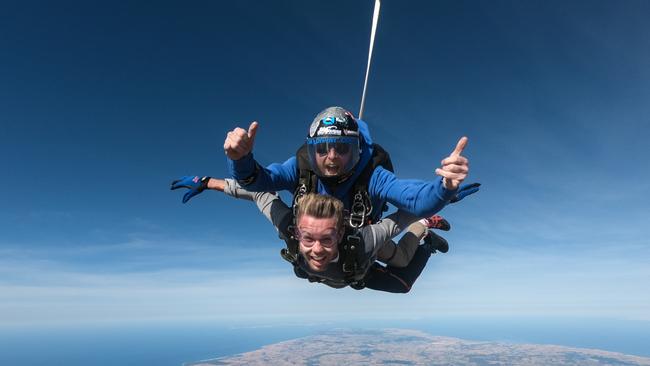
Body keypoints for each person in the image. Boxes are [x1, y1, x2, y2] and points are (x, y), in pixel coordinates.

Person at [171, 177, 452, 293]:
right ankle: (424, 233)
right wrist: (207, 182)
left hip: (359, 260)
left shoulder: (365, 240)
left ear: (341, 233)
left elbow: (401, 217)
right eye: (308, 239)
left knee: (402, 269)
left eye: (327, 239)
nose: (317, 249)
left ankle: (426, 232)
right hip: (350, 269)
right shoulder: (289, 229)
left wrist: (441, 194)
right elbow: (258, 191)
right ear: (297, 232)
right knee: (399, 265)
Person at [222, 106, 476, 226]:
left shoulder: (372, 174)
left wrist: (445, 187)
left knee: (396, 265)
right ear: (312, 150)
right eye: (322, 148)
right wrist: (241, 160)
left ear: (356, 151)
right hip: (323, 241)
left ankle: (425, 229)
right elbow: (260, 181)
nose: (332, 156)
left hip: (361, 231)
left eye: (342, 148)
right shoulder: (300, 167)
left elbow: (413, 198)